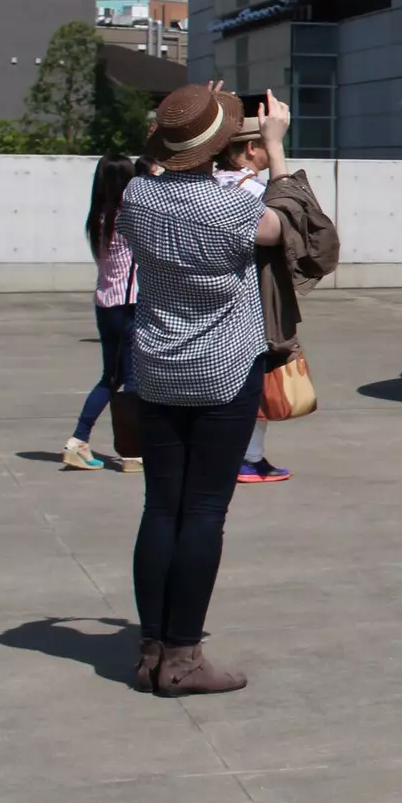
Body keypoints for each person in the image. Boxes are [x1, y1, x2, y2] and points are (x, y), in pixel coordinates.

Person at [117, 83, 292, 696]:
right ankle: (185, 657)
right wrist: (274, 147)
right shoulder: (234, 210)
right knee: (204, 511)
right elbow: (294, 227)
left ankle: (151, 648)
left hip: (158, 366)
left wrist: (194, 115)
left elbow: (161, 160)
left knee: (161, 507)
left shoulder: (138, 195)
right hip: (223, 370)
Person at [215, 118, 291, 484]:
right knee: (257, 384)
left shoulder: (210, 185)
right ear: (250, 149)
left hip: (211, 305)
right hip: (250, 304)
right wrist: (277, 153)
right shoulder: (251, 193)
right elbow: (293, 225)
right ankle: (249, 458)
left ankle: (238, 455)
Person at [64, 156, 143, 473]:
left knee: (111, 378)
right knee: (132, 379)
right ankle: (133, 452)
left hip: (105, 304)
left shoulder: (97, 218)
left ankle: (79, 440)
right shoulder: (129, 216)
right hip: (130, 304)